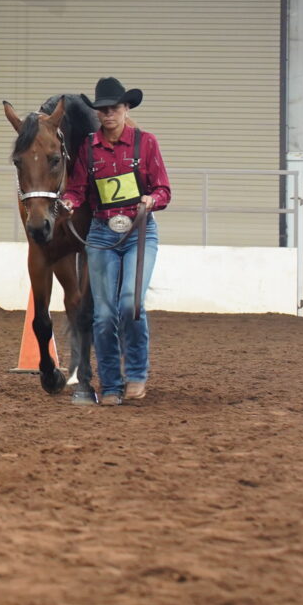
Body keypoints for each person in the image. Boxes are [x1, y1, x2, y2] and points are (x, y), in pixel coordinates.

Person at [57, 77, 171, 407]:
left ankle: (136, 374)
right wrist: (69, 202)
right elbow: (78, 189)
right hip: (102, 233)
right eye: (103, 109)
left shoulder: (145, 143)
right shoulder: (88, 149)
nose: (109, 114)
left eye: (115, 108)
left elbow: (164, 188)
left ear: (126, 109)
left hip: (139, 232)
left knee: (130, 304)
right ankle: (109, 384)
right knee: (104, 314)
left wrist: (151, 199)